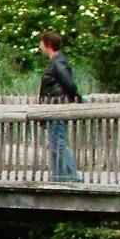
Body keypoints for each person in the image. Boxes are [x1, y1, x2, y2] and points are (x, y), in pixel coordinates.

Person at [38, 30, 83, 182]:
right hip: (53, 108)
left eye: (41, 43)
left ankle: (71, 176)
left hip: (57, 108)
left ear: (48, 44)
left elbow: (69, 84)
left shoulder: (58, 62)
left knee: (58, 144)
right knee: (55, 144)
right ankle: (62, 176)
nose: (40, 46)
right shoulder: (56, 61)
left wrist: (76, 99)